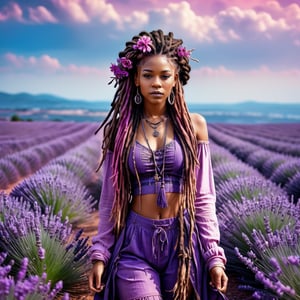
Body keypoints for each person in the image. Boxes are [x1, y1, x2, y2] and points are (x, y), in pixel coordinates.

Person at [88, 29, 228, 300]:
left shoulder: (194, 126)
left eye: (164, 76)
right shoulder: (120, 130)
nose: (156, 83)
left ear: (176, 79)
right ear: (135, 80)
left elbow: (203, 197)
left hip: (182, 243)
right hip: (134, 245)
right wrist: (100, 254)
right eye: (148, 75)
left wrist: (214, 257)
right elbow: (109, 199)